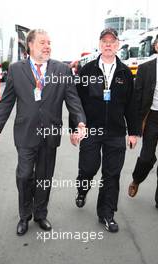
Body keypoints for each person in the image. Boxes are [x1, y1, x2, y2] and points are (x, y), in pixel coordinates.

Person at [0, 29, 86, 236]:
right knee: (24, 175)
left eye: (49, 42)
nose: (47, 46)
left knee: (44, 177)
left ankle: (41, 213)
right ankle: (24, 216)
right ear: (30, 45)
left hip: (50, 133)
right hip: (25, 133)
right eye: (42, 42)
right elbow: (7, 101)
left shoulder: (62, 70)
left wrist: (79, 122)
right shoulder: (16, 70)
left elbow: (73, 99)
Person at [70, 28, 138, 233]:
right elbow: (76, 102)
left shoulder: (125, 73)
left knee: (112, 174)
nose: (108, 44)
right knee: (88, 168)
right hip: (91, 130)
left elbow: (131, 105)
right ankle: (82, 189)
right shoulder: (87, 70)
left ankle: (106, 213)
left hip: (116, 133)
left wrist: (133, 132)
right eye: (104, 41)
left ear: (117, 45)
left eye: (112, 41)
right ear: (100, 44)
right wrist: (75, 128)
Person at [128, 37, 158, 208]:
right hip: (152, 118)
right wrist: (134, 125)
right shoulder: (145, 68)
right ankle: (137, 179)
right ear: (156, 46)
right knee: (147, 157)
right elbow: (137, 97)